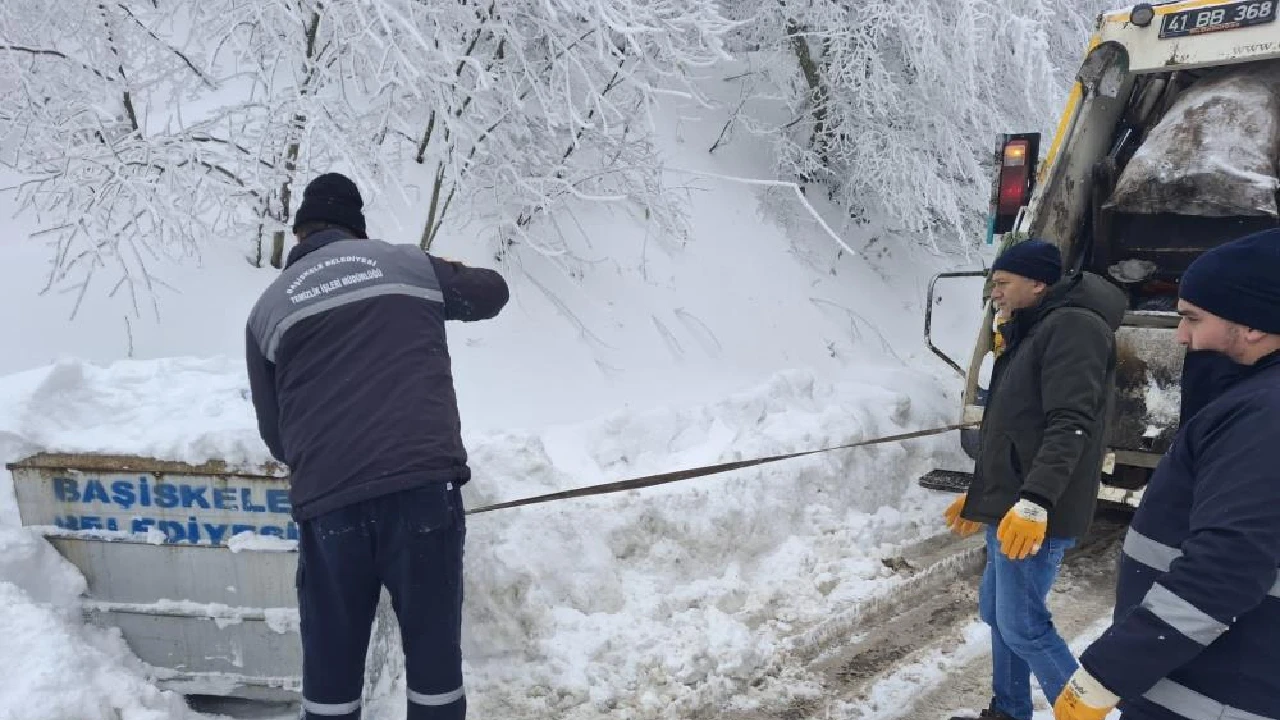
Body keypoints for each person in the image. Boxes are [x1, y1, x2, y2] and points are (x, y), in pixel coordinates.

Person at [245, 172, 509, 720]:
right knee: (434, 666)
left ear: (299, 236)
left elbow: (277, 434)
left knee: (331, 670)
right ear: (356, 228)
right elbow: (492, 291)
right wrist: (444, 269)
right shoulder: (406, 264)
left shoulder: (267, 310)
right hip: (422, 492)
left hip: (330, 505)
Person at [1053, 229, 1280, 720]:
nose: (1180, 335)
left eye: (1192, 318)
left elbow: (1228, 565)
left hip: (1216, 697)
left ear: (1255, 324)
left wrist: (1108, 673)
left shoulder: (1266, 414)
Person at [944, 238, 1127, 720]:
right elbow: (1014, 426)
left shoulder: (1074, 328)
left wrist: (1036, 500)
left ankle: (1085, 713)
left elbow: (1071, 423)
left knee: (1022, 624)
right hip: (1013, 504)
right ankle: (1008, 708)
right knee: (999, 615)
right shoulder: (1035, 327)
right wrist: (978, 497)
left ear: (1038, 283)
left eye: (1002, 284)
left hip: (1036, 510)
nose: (994, 294)